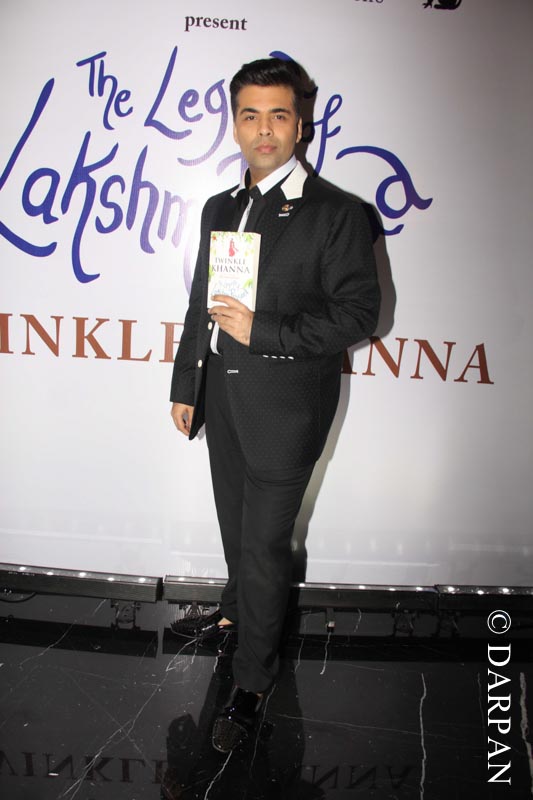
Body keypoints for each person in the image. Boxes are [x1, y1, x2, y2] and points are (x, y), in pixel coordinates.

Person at [170, 57, 380, 753]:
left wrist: (262, 331)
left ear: (301, 125)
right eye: (250, 115)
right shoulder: (219, 207)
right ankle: (235, 615)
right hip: (222, 397)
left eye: (278, 115)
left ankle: (253, 683)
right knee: (236, 525)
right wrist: (186, 384)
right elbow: (200, 301)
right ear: (235, 124)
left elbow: (359, 316)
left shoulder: (337, 213)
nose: (263, 130)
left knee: (264, 545)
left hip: (286, 409)